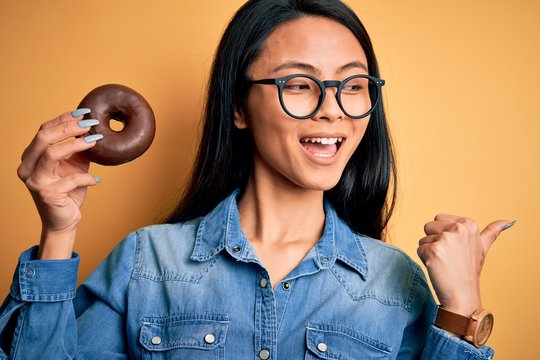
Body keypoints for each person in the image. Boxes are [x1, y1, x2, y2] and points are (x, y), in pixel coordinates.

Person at [0, 0, 512, 359]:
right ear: (240, 106)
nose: (333, 110)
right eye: (299, 83)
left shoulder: (395, 283)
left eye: (353, 85)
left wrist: (462, 309)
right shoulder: (145, 263)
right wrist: (58, 231)